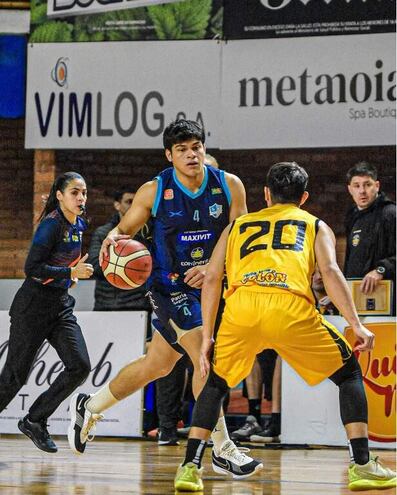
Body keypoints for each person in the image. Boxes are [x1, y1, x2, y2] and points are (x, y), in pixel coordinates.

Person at [174, 162, 396, 492]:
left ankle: (189, 468)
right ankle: (362, 464)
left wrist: (208, 336)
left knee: (217, 383)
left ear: (266, 194)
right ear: (304, 197)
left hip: (242, 309)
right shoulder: (315, 224)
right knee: (348, 373)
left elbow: (211, 280)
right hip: (289, 307)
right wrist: (356, 325)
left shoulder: (237, 226)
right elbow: (332, 274)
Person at [68, 119, 262, 478]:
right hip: (169, 288)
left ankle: (90, 405)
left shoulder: (229, 186)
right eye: (183, 149)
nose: (191, 154)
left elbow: (242, 239)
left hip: (210, 286)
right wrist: (112, 242)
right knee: (206, 356)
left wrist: (211, 267)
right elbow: (123, 230)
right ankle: (222, 447)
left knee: (156, 365)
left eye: (196, 147)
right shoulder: (154, 190)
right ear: (169, 155)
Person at [0, 171, 93, 453]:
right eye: (75, 192)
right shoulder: (51, 226)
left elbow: (62, 265)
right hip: (33, 307)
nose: (81, 198)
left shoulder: (79, 224)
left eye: (84, 193)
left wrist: (70, 278)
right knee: (15, 376)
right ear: (60, 196)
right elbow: (32, 269)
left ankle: (35, 419)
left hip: (60, 306)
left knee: (80, 366)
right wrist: (68, 271)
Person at [344, 161, 396, 314]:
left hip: (387, 303)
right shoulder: (352, 216)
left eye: (367, 185)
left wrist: (380, 270)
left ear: (377, 186)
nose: (362, 191)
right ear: (349, 189)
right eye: (357, 185)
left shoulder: (391, 214)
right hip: (358, 301)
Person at [88, 186, 150, 311]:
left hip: (139, 304)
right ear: (117, 205)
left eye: (136, 202)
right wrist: (124, 263)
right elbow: (94, 264)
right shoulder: (103, 233)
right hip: (107, 303)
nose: (133, 206)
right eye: (129, 202)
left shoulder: (147, 233)